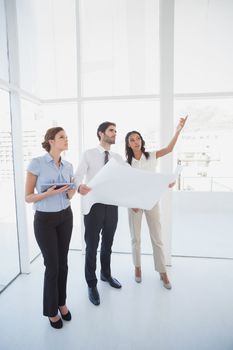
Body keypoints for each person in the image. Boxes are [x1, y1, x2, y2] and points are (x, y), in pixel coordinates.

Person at [125, 116, 188, 289]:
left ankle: (162, 272)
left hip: (152, 202)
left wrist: (178, 130)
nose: (136, 141)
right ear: (128, 144)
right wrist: (132, 203)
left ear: (141, 141)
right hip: (134, 205)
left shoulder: (151, 156)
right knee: (135, 239)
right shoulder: (126, 163)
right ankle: (137, 268)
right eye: (132, 139)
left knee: (157, 238)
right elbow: (125, 186)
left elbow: (169, 149)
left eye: (138, 138)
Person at [25, 127, 76, 329]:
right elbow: (28, 197)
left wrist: (73, 189)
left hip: (65, 217)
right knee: (52, 266)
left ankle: (62, 302)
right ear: (51, 141)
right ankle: (51, 311)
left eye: (66, 136)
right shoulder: (37, 163)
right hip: (44, 220)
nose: (66, 139)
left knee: (63, 264)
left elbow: (69, 195)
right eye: (62, 137)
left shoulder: (69, 165)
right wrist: (48, 193)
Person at [74, 121, 123, 306]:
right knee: (92, 246)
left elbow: (131, 177)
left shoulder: (117, 157)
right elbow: (78, 175)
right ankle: (91, 284)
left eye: (116, 131)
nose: (115, 133)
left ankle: (106, 274)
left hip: (111, 204)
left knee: (108, 243)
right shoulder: (88, 154)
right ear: (101, 133)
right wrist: (79, 186)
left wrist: (158, 184)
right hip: (93, 205)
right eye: (111, 130)